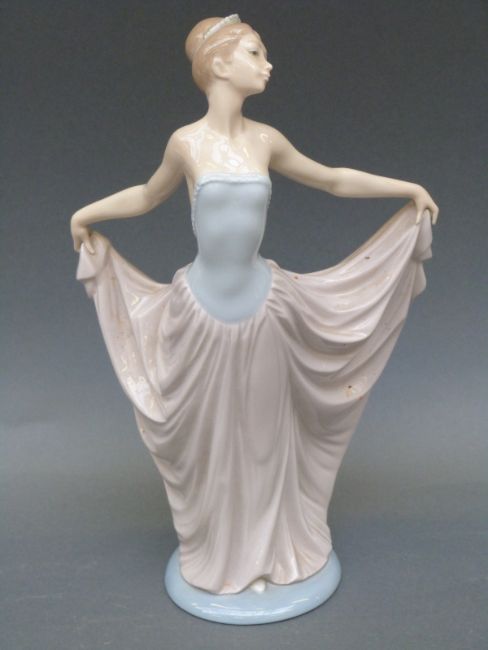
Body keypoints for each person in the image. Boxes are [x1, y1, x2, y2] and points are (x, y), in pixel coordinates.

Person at [71, 15, 438, 597]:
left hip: (265, 308)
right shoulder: (187, 143)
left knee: (265, 440)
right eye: (254, 52)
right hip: (199, 313)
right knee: (212, 444)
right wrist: (86, 214)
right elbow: (146, 195)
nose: (267, 64)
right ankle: (223, 554)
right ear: (219, 64)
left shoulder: (265, 140)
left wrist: (406, 188)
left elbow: (332, 180)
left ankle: (270, 552)